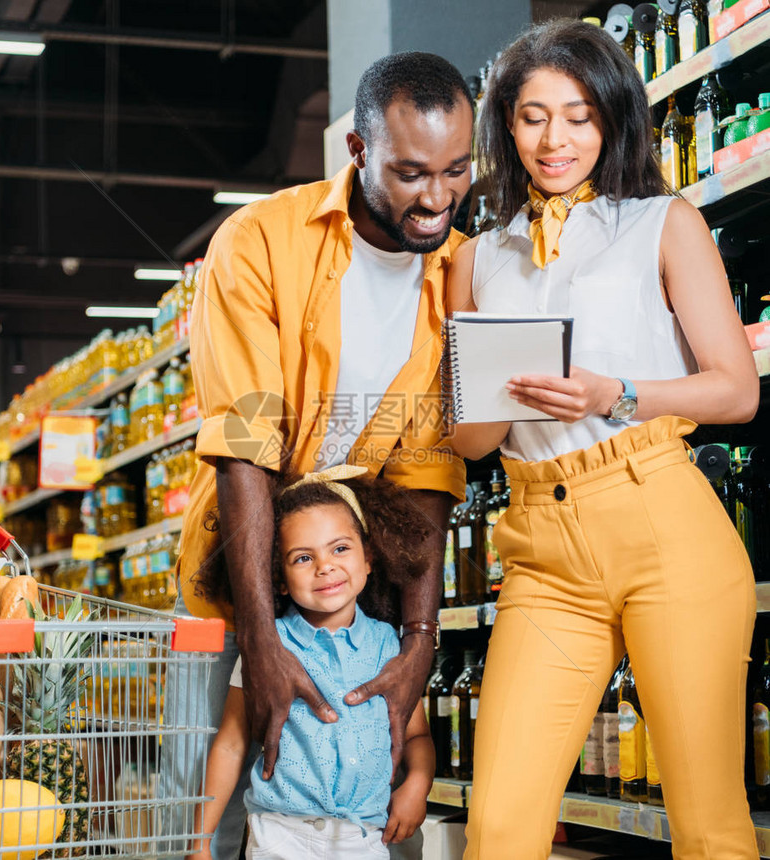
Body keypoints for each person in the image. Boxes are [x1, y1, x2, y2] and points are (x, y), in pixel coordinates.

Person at [446, 19, 760, 860]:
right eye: (534, 115)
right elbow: (476, 444)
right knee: (501, 826)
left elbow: (736, 389)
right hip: (542, 551)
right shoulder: (475, 258)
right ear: (506, 125)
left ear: (613, 119)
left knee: (707, 826)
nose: (556, 139)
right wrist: (483, 389)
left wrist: (614, 393)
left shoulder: (663, 222)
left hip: (661, 518)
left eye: (580, 115)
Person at [159, 51, 472, 859]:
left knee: (344, 791)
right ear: (359, 151)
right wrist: (261, 642)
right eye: (410, 172)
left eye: (457, 170)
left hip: (355, 579)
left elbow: (429, 476)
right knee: (206, 800)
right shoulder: (261, 241)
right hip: (241, 574)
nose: (436, 198)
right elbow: (245, 446)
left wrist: (418, 643)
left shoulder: (458, 273)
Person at [186, 467, 435, 859]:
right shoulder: (268, 649)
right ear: (278, 578)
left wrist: (418, 783)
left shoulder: (389, 646)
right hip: (280, 837)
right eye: (303, 557)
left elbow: (417, 735)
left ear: (369, 558)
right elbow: (232, 744)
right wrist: (200, 841)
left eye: (340, 548)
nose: (325, 566)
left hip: (364, 839)